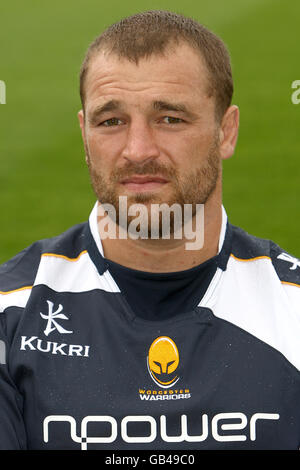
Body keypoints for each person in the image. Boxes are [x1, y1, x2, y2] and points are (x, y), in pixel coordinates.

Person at [0, 10, 299, 451]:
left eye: (170, 119)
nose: (138, 150)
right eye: (111, 121)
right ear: (84, 135)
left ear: (226, 131)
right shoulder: (10, 316)